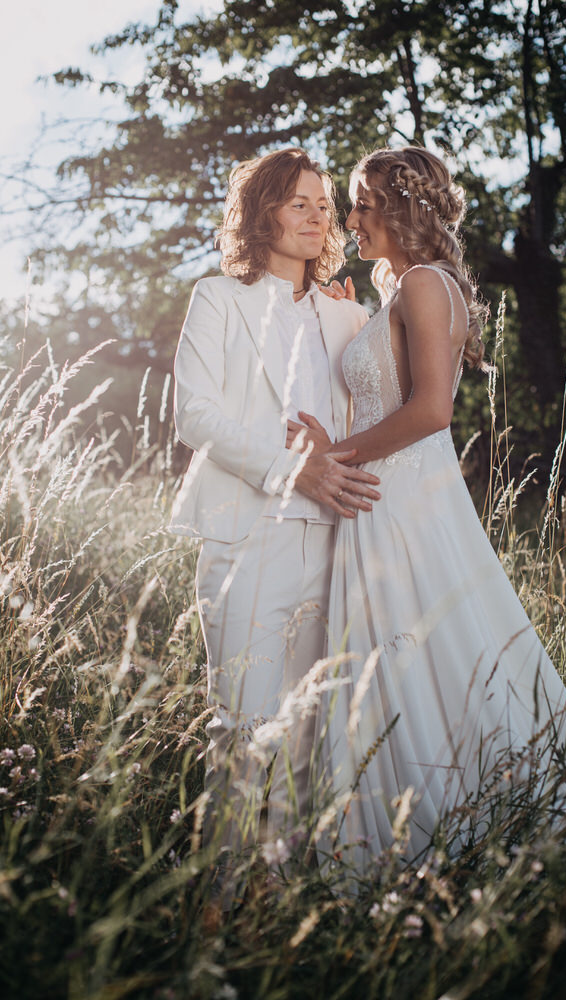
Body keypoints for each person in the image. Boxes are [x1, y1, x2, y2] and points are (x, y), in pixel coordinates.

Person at [286, 146, 566, 882]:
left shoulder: (425, 285)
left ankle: (445, 825)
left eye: (362, 204)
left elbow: (429, 411)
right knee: (416, 660)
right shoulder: (408, 289)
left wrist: (332, 459)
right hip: (390, 500)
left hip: (398, 503)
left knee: (428, 656)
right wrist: (347, 315)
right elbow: (390, 383)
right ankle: (411, 818)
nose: (351, 218)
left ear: (401, 209)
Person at [169, 147, 381, 892]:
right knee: (240, 725)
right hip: (243, 533)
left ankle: (282, 890)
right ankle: (216, 891)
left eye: (325, 203)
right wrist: (293, 467)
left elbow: (381, 411)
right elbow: (192, 412)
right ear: (261, 213)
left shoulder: (352, 314)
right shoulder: (218, 299)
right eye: (300, 202)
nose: (320, 215)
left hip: (334, 541)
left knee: (306, 732)